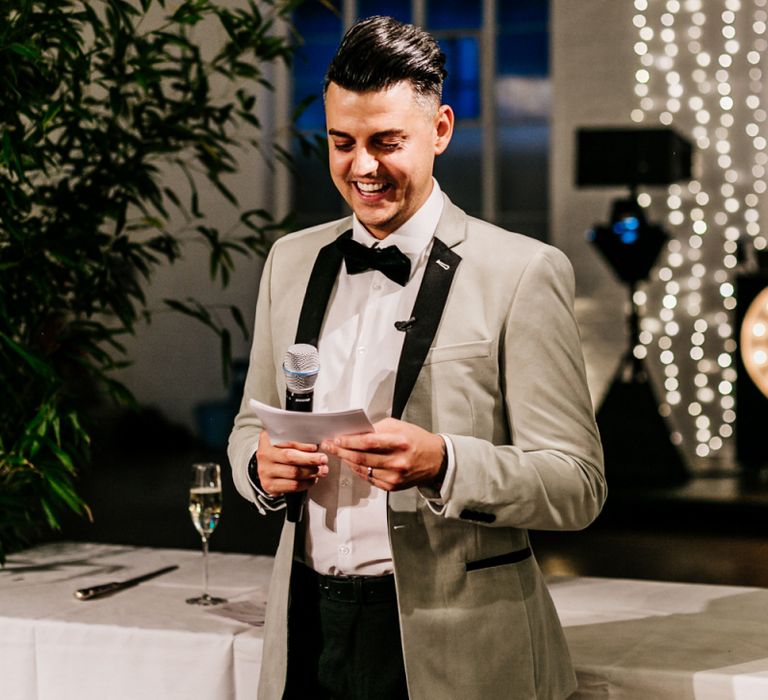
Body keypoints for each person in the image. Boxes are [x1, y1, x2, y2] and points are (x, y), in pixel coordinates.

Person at [228, 15, 605, 700]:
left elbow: (577, 484)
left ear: (440, 131)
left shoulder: (523, 272)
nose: (362, 168)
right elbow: (249, 428)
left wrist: (445, 460)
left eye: (386, 142)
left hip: (461, 648)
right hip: (305, 630)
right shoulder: (290, 261)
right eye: (342, 143)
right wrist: (259, 464)